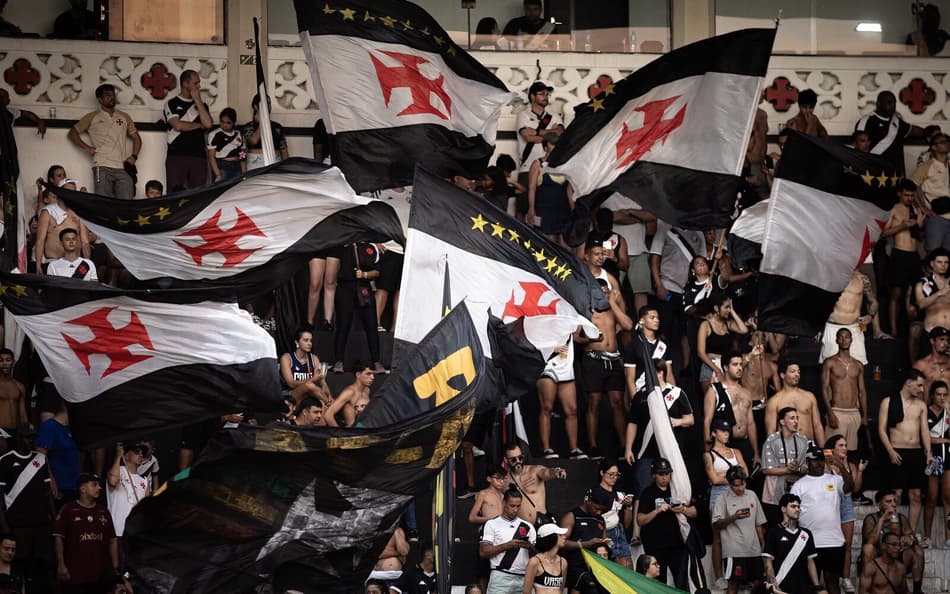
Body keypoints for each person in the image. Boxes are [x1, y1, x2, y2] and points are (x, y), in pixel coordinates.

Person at [624, 357, 692, 550]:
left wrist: (676, 422)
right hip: (647, 451)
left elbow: (690, 419)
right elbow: (633, 423)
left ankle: (681, 525)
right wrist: (629, 448)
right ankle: (637, 533)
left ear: (660, 373)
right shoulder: (641, 396)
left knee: (675, 488)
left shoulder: (677, 394)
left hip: (670, 450)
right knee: (641, 488)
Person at [581, 242, 633, 457]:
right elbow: (575, 336)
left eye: (603, 254)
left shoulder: (612, 303)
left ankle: (623, 446)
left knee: (617, 403)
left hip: (613, 357)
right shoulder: (588, 306)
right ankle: (592, 446)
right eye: (596, 253)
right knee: (593, 401)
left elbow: (628, 324)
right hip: (593, 357)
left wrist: (613, 302)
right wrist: (590, 338)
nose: (604, 292)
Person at [878, 368, 932, 544]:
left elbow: (925, 431)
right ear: (909, 383)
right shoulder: (888, 401)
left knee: (916, 494)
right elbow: (881, 429)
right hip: (897, 451)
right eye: (919, 385)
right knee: (897, 494)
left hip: (916, 452)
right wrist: (890, 451)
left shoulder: (921, 405)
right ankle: (894, 530)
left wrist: (928, 452)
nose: (922, 389)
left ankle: (911, 533)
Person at [0, 424, 55, 594]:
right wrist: (4, 524)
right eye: (27, 437)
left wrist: (54, 517)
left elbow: (48, 492)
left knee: (42, 565)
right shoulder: (5, 460)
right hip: (18, 523)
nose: (30, 441)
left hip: (41, 523)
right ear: (18, 438)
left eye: (33, 437)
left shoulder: (40, 459)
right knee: (18, 565)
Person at [791, 444, 853, 594]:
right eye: (814, 460)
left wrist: (840, 465)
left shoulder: (835, 480)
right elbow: (792, 513)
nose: (818, 463)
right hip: (809, 543)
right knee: (812, 585)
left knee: (833, 583)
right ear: (807, 462)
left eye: (820, 460)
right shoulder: (799, 485)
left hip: (834, 541)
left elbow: (850, 486)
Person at [67, 84, 141, 199]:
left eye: (113, 95)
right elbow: (72, 133)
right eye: (107, 95)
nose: (111, 97)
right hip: (101, 165)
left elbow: (136, 137)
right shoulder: (92, 116)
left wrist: (134, 156)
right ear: (100, 99)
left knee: (127, 203)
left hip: (122, 166)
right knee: (104, 203)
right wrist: (87, 148)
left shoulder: (124, 116)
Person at [649, 222, 706, 369]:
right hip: (668, 288)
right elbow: (654, 259)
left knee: (686, 330)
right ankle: (659, 363)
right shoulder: (664, 228)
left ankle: (687, 366)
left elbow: (703, 261)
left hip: (688, 292)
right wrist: (659, 285)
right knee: (662, 328)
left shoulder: (698, 231)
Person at [54, 472, 120, 592]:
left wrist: (115, 567)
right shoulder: (68, 509)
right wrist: (61, 564)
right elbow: (59, 538)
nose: (99, 488)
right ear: (82, 489)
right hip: (75, 575)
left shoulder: (104, 511)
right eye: (94, 485)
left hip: (101, 576)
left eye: (99, 485)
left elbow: (112, 540)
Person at [636, 458, 695, 589]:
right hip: (655, 545)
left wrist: (683, 509)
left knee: (682, 581)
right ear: (653, 475)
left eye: (667, 474)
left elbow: (695, 512)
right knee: (658, 583)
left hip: (677, 544)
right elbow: (640, 520)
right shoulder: (648, 492)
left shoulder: (678, 490)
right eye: (660, 474)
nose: (664, 477)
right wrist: (656, 511)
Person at [704, 418, 748, 588]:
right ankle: (719, 576)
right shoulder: (709, 455)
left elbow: (745, 473)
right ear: (714, 433)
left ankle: (741, 575)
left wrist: (727, 475)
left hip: (738, 494)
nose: (726, 434)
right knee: (718, 537)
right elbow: (714, 479)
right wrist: (734, 475)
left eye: (728, 431)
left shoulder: (736, 451)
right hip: (719, 496)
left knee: (740, 535)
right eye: (722, 431)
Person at [711, 466, 766, 594]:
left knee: (759, 583)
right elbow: (716, 525)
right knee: (733, 584)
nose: (740, 488)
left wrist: (762, 542)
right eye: (736, 485)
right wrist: (734, 517)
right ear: (730, 484)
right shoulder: (722, 499)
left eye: (743, 484)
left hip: (754, 549)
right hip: (734, 551)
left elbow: (758, 522)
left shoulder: (752, 495)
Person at [332, 243, 384, 374]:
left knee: (371, 325)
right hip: (345, 287)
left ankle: (377, 362)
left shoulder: (372, 248)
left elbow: (377, 271)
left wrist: (365, 274)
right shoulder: (343, 242)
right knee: (343, 324)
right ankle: (339, 361)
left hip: (364, 288)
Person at [860, 490, 925, 594]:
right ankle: (871, 583)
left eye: (894, 501)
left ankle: (917, 590)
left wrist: (909, 539)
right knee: (868, 548)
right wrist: (882, 520)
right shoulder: (871, 519)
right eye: (888, 502)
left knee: (917, 550)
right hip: (878, 559)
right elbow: (870, 541)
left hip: (896, 557)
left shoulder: (900, 518)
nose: (893, 504)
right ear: (879, 504)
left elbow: (913, 537)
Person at [883, 179, 926, 336]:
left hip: (914, 255)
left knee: (918, 292)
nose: (910, 198)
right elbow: (883, 233)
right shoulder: (894, 209)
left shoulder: (916, 209)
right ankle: (894, 331)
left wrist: (920, 226)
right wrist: (902, 226)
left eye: (912, 195)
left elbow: (920, 238)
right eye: (907, 195)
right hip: (899, 253)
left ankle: (916, 328)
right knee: (897, 293)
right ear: (899, 193)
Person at [763, 493, 827, 594]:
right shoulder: (774, 532)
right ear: (783, 509)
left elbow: (810, 562)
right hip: (780, 587)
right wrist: (774, 586)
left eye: (798, 507)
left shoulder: (806, 534)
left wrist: (817, 587)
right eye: (793, 506)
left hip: (802, 588)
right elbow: (768, 563)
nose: (797, 509)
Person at [703, 353, 758, 469]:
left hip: (744, 443)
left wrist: (756, 452)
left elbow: (751, 424)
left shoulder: (746, 393)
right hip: (724, 443)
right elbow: (707, 420)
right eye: (735, 364)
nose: (739, 368)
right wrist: (708, 451)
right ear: (726, 367)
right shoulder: (714, 390)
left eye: (741, 365)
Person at [825, 434, 865, 594]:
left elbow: (855, 489)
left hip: (846, 504)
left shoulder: (851, 466)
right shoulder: (826, 466)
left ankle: (845, 578)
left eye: (845, 445)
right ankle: (831, 577)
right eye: (840, 445)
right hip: (830, 504)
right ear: (832, 448)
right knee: (833, 544)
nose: (844, 448)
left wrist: (860, 471)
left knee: (847, 544)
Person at [821, 328, 868, 458]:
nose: (844, 339)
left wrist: (864, 415)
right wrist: (830, 412)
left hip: (854, 412)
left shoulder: (858, 365)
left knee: (850, 453)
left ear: (851, 340)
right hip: (836, 411)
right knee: (829, 452)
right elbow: (824, 388)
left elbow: (862, 391)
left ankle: (847, 478)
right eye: (841, 337)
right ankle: (830, 477)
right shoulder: (829, 362)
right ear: (836, 340)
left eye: (847, 337)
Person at [163, 69, 213, 191]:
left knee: (198, 196)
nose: (199, 86)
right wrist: (198, 125)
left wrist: (197, 100)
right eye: (196, 83)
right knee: (174, 194)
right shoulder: (172, 103)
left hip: (198, 157)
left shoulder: (202, 105)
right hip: (176, 156)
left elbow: (208, 124)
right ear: (185, 84)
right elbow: (178, 126)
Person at [537, 330, 584, 460]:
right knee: (547, 408)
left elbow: (578, 332)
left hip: (566, 366)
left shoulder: (567, 314)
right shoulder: (543, 317)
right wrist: (551, 348)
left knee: (572, 410)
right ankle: (546, 448)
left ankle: (574, 449)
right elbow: (532, 340)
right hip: (548, 365)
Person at [479, 488, 535, 594]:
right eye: (512, 505)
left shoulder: (528, 526)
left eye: (518, 506)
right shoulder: (492, 524)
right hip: (500, 576)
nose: (515, 509)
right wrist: (507, 545)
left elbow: (537, 556)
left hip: (524, 577)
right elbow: (483, 552)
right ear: (504, 502)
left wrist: (529, 547)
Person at [515, 81, 563, 202]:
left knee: (545, 206)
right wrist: (550, 134)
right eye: (542, 94)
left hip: (550, 169)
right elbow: (527, 137)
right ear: (532, 96)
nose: (545, 97)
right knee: (524, 207)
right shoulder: (523, 115)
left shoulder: (554, 116)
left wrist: (535, 132)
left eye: (547, 94)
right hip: (527, 166)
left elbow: (560, 134)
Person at [761, 407, 810, 525]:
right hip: (774, 496)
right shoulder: (772, 441)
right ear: (782, 422)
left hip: (796, 495)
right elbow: (766, 469)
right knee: (774, 530)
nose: (796, 421)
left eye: (797, 418)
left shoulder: (803, 440)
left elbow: (807, 468)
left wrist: (797, 469)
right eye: (792, 418)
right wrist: (787, 469)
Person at [854, 91, 923, 174]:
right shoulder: (866, 121)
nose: (893, 106)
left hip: (894, 175)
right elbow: (858, 149)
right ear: (879, 103)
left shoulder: (897, 122)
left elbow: (915, 131)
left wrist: (932, 133)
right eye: (889, 103)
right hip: (872, 173)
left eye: (894, 103)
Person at [559, 486, 610, 594]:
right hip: (576, 568)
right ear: (588, 502)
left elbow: (604, 541)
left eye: (602, 510)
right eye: (596, 508)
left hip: (597, 569)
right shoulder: (572, 516)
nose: (599, 512)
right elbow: (561, 542)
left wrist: (606, 544)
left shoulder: (600, 519)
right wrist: (585, 544)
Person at [504, 442, 567, 525]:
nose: (518, 461)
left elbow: (546, 472)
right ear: (506, 460)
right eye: (513, 459)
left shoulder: (534, 471)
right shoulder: (505, 481)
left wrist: (556, 471)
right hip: (521, 527)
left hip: (542, 523)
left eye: (520, 457)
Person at [527, 132, 573, 245]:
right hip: (544, 208)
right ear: (545, 146)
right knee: (547, 242)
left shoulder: (565, 164)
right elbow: (531, 188)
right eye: (552, 144)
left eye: (557, 145)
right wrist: (531, 208)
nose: (555, 148)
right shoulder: (537, 164)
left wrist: (573, 208)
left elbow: (570, 189)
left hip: (562, 207)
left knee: (565, 241)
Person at [697, 295, 749, 394]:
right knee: (713, 400)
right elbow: (701, 353)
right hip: (710, 366)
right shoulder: (706, 325)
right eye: (726, 307)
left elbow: (744, 330)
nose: (728, 310)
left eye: (730, 307)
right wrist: (717, 370)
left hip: (726, 365)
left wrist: (733, 311)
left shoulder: (728, 324)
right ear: (716, 308)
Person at [34, 181, 89, 273]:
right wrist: (38, 265)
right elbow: (40, 240)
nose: (71, 195)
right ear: (59, 192)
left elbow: (85, 242)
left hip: (76, 265)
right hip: (53, 263)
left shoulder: (79, 213)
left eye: (73, 192)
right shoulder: (48, 212)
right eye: (68, 191)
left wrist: (88, 263)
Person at [766, 360, 825, 445]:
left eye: (798, 372)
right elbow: (770, 432)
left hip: (808, 445)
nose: (797, 374)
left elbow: (817, 426)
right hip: (786, 446)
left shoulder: (809, 396)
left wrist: (826, 453)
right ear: (782, 375)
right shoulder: (774, 401)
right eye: (792, 371)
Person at [621, 305, 673, 396]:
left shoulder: (664, 343)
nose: (656, 320)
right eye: (652, 318)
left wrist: (673, 396)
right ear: (642, 320)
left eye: (657, 318)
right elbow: (630, 378)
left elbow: (669, 374)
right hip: (642, 392)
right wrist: (635, 400)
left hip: (662, 391)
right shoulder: (634, 345)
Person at [34, 400, 78, 503]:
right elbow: (39, 457)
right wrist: (50, 481)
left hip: (73, 486)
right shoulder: (49, 426)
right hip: (59, 486)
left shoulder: (72, 429)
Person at [923, 380, 950, 547]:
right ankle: (927, 536)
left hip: (947, 456)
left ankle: (948, 537)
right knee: (931, 497)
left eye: (944, 395)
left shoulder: (947, 412)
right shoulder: (925, 412)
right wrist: (941, 439)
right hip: (932, 457)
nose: (941, 398)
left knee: (948, 498)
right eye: (938, 394)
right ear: (932, 395)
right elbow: (923, 437)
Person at [106, 441, 149, 537]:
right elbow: (113, 481)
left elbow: (146, 507)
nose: (141, 455)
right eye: (137, 452)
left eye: (142, 453)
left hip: (136, 532)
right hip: (117, 529)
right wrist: (118, 457)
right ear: (126, 456)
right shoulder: (117, 471)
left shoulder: (144, 480)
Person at [278, 326, 330, 405]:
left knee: (315, 392)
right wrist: (312, 380)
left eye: (310, 340)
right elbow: (291, 383)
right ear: (297, 342)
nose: (309, 343)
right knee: (309, 386)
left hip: (309, 395)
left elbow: (322, 382)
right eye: (306, 340)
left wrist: (330, 395)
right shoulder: (287, 358)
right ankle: (331, 406)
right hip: (290, 395)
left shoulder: (314, 359)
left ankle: (329, 403)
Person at [598, 461, 633, 568]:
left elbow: (627, 524)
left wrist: (628, 506)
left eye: (616, 474)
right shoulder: (595, 492)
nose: (614, 477)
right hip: (605, 531)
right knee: (610, 567)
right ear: (602, 473)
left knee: (628, 565)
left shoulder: (620, 494)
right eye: (610, 474)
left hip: (620, 531)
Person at [242, 94, 289, 170]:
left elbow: (284, 150)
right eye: (264, 103)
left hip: (275, 161)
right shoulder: (249, 126)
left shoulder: (277, 126)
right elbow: (253, 141)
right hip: (255, 163)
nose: (268, 106)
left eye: (269, 103)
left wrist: (287, 168)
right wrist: (262, 121)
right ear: (256, 107)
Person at [521, 523, 567, 594]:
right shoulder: (535, 561)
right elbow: (526, 592)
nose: (564, 537)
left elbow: (561, 589)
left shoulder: (563, 562)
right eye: (560, 535)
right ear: (552, 537)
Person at [324, 363, 374, 428]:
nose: (372, 377)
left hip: (366, 429)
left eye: (372, 374)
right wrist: (340, 435)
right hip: (352, 433)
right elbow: (328, 415)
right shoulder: (349, 392)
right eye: (368, 374)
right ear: (358, 375)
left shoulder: (367, 390)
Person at [913, 249, 950, 335]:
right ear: (932, 264)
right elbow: (920, 305)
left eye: (946, 262)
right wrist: (939, 293)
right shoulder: (922, 284)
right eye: (939, 262)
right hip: (932, 332)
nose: (943, 265)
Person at [206, 107, 245, 182]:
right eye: (222, 122)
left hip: (237, 166)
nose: (224, 125)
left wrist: (244, 172)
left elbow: (242, 153)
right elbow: (211, 157)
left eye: (228, 123)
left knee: (237, 190)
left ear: (233, 122)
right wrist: (218, 174)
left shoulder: (238, 134)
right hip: (223, 166)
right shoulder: (214, 134)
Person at [0, 350, 24, 453]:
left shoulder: (19, 386)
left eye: (8, 360)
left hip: (15, 432)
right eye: (1, 360)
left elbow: (23, 414)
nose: (4, 363)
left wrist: (26, 434)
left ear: (13, 362)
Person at [913, 325, 950, 390]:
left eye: (947, 340)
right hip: (928, 399)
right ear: (932, 341)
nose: (945, 343)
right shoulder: (921, 365)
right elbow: (913, 388)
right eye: (941, 339)